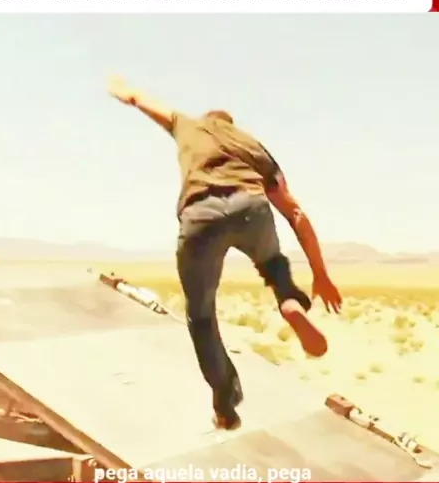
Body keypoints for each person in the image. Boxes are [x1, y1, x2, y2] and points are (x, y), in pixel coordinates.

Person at [108, 77, 342, 430]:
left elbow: (140, 99)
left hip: (200, 215)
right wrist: (320, 274)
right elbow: (295, 212)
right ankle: (290, 303)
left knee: (201, 316)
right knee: (274, 266)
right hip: (251, 206)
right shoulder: (251, 145)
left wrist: (124, 91)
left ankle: (225, 404)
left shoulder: (188, 125)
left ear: (208, 120)